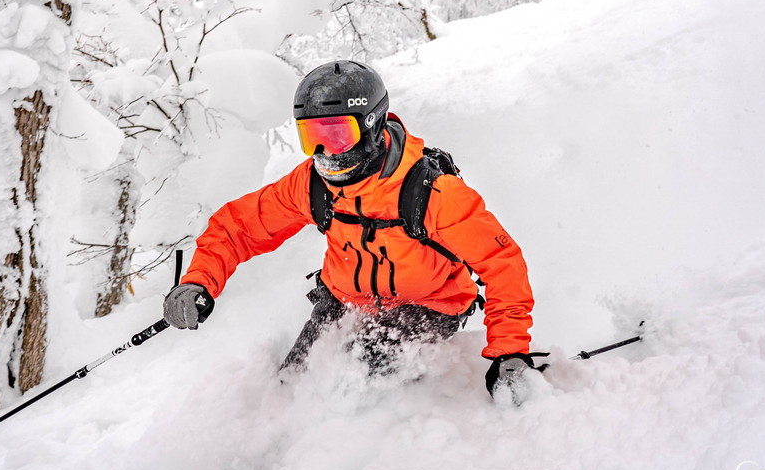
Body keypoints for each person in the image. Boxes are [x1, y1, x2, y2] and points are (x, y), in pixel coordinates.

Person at [164, 60, 543, 398]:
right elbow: (239, 226)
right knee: (291, 386)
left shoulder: (432, 192)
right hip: (344, 299)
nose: (325, 152)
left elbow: (501, 263)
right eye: (312, 137)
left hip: (428, 304)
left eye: (336, 135)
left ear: (372, 126)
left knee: (350, 379)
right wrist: (199, 281)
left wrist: (509, 351)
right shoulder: (312, 183)